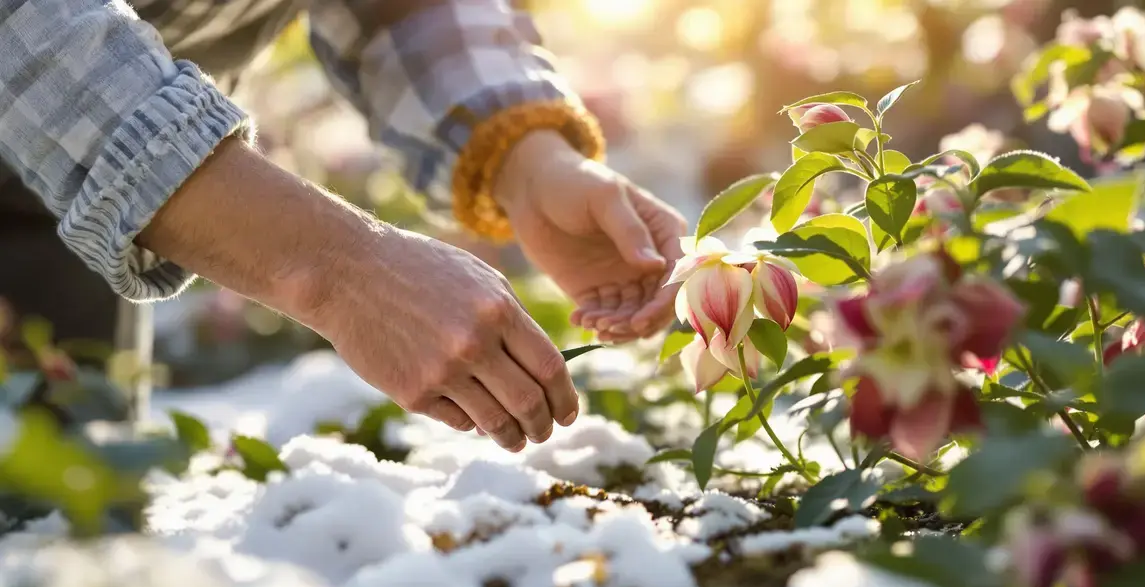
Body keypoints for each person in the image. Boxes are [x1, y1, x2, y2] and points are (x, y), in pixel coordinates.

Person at [0, 0, 686, 452]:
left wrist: (531, 164)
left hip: (69, 200)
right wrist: (343, 269)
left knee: (69, 546)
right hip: (69, 142)